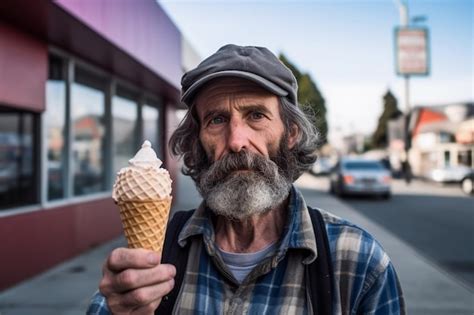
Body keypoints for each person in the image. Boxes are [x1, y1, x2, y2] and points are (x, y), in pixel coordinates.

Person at [87, 44, 405, 315]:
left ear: (291, 133)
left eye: (256, 115)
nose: (237, 140)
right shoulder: (157, 253)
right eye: (217, 119)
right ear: (196, 142)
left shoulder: (358, 262)